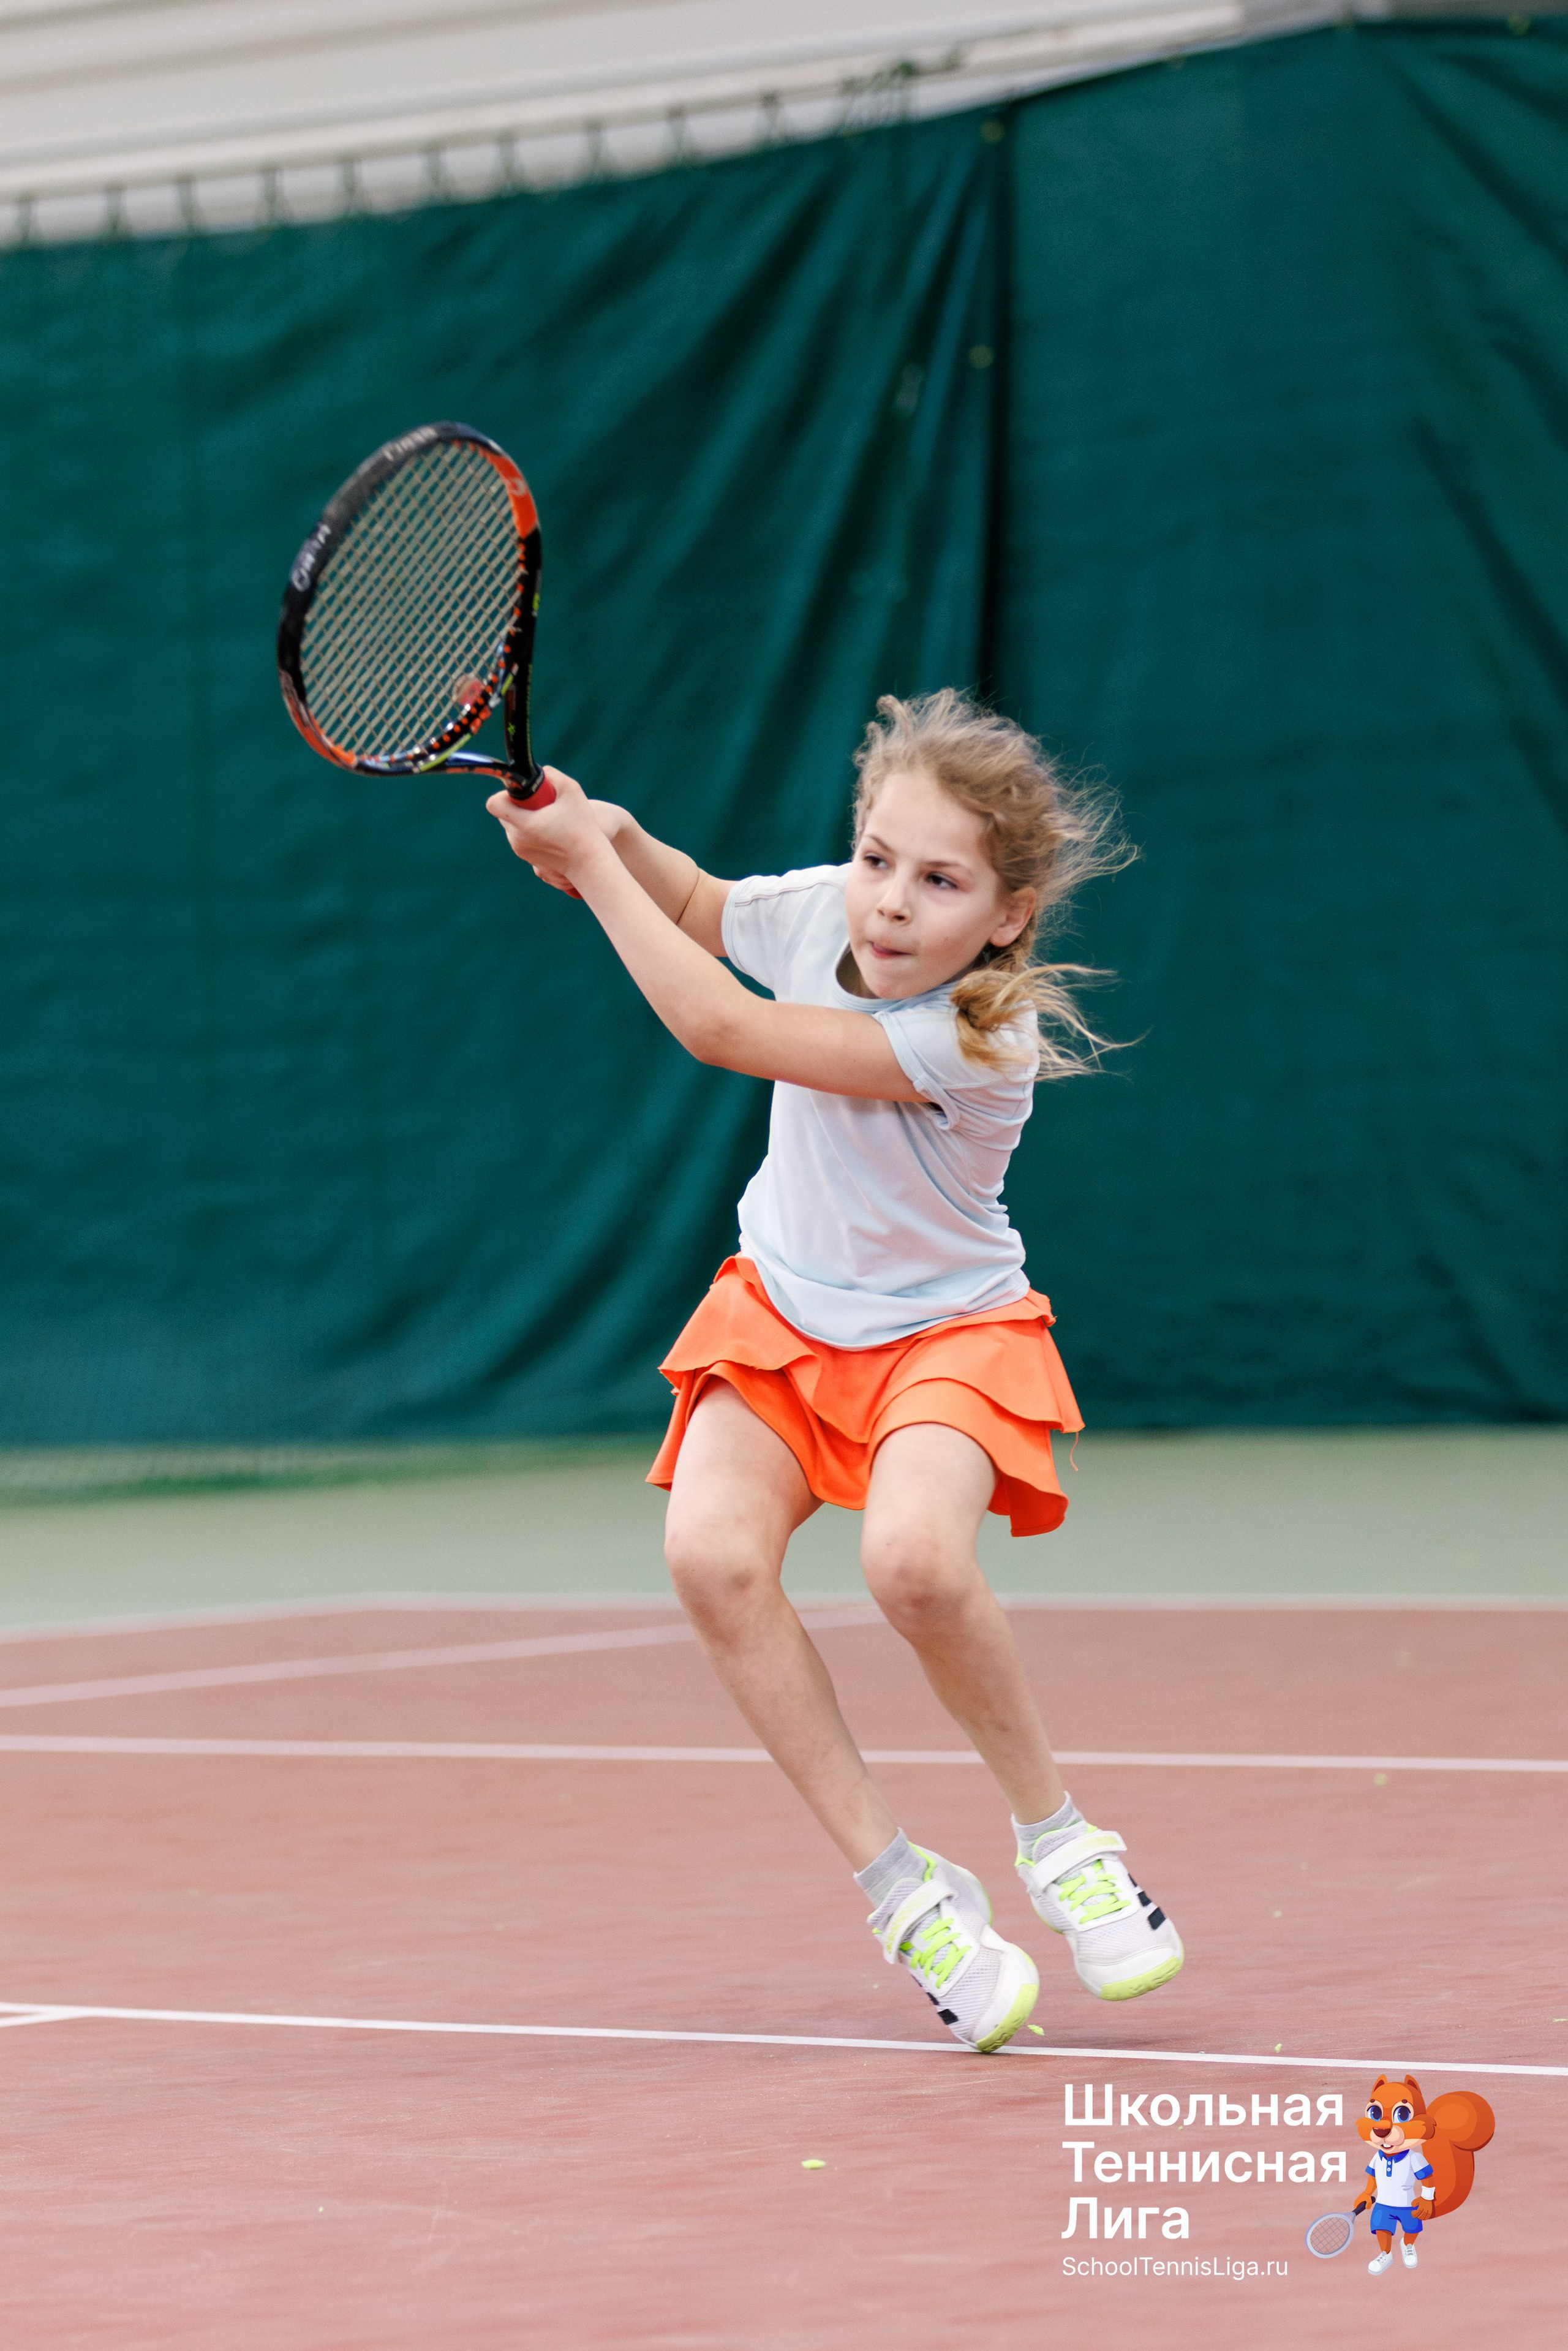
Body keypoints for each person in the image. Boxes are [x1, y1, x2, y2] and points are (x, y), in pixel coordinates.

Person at [488, 689, 1183, 2052]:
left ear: (1005, 913)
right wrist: (616, 840)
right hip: (783, 1312)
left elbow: (724, 1030)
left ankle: (1057, 1838)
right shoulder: (823, 911)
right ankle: (903, 1889)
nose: (887, 902)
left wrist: (583, 876)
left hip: (946, 1330)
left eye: (938, 880)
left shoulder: (983, 1034)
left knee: (914, 1563)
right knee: (709, 1557)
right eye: (876, 858)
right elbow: (700, 908)